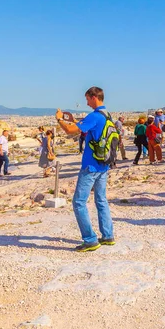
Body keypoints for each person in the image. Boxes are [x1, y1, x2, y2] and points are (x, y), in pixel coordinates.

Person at [54, 87, 115, 252]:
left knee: (79, 202)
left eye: (88, 99)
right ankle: (108, 235)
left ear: (94, 97)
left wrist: (60, 119)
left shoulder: (94, 116)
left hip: (91, 166)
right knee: (101, 200)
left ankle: (90, 240)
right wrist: (73, 119)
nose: (87, 103)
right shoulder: (107, 115)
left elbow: (69, 130)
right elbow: (82, 127)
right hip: (103, 164)